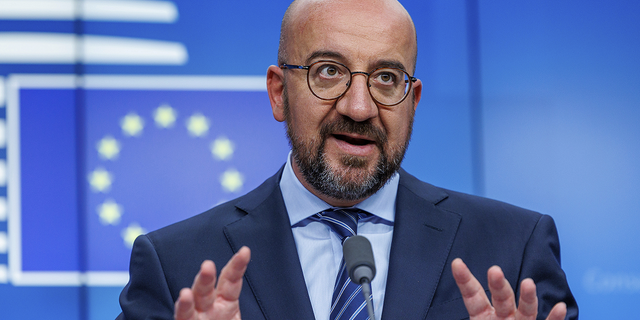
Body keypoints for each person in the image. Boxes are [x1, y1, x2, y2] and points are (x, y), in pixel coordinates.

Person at [117, 0, 578, 319]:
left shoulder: (514, 251)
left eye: (385, 77)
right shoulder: (176, 265)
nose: (358, 107)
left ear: (412, 99)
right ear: (279, 93)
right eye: (329, 71)